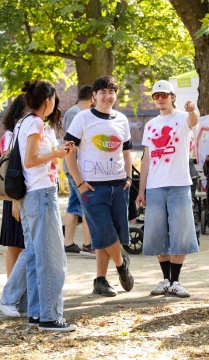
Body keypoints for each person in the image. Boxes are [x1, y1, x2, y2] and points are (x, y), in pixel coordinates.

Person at [0, 80, 76, 331]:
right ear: (47, 101)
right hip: (40, 193)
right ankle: (50, 317)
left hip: (31, 195)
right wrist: (56, 155)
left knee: (35, 255)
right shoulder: (34, 123)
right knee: (52, 258)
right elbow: (31, 161)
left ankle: (36, 313)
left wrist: (56, 150)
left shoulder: (23, 122)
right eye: (54, 98)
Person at [65, 76, 134, 297]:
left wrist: (129, 178)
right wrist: (79, 182)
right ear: (94, 96)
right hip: (92, 187)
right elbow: (69, 152)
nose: (107, 96)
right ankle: (122, 264)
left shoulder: (122, 120)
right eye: (102, 92)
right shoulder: (82, 118)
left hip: (118, 185)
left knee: (106, 235)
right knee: (104, 231)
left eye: (111, 92)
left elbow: (126, 152)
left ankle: (100, 280)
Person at [136, 80, 199, 298]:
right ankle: (165, 279)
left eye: (164, 94)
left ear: (172, 96)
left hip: (179, 184)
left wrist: (193, 110)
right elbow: (146, 158)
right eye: (156, 95)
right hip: (154, 186)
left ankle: (176, 281)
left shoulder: (182, 118)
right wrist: (141, 190)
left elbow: (193, 121)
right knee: (157, 234)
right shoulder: (151, 124)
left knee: (180, 234)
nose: (160, 98)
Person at [62, 85, 95, 257]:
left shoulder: (74, 112)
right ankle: (89, 245)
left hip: (72, 166)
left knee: (74, 204)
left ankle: (68, 243)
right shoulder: (77, 114)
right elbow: (72, 143)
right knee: (87, 203)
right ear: (92, 98)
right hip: (75, 167)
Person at [0, 95, 27, 278]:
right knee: (15, 245)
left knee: (24, 245)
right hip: (14, 195)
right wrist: (15, 201)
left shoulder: (23, 132)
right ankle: (11, 286)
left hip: (25, 194)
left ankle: (19, 287)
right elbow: (9, 172)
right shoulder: (10, 136)